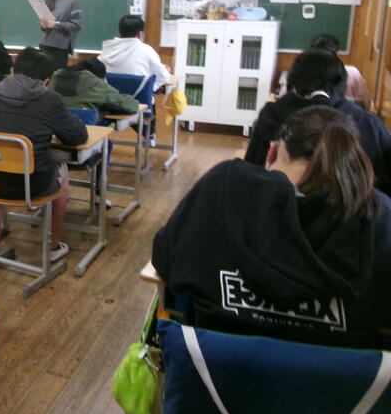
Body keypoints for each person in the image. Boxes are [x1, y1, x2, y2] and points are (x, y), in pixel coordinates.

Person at [153, 106, 391, 350]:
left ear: (272, 151)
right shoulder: (380, 218)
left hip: (214, 368)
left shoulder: (221, 188)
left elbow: (165, 261)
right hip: (337, 373)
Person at [0, 47, 88, 261]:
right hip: (34, 185)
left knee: (0, 161)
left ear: (12, 71)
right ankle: (53, 247)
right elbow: (77, 137)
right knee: (62, 174)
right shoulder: (50, 99)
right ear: (46, 80)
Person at [245, 49, 391, 196]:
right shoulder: (368, 123)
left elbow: (250, 171)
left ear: (293, 81)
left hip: (278, 204)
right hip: (353, 206)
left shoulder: (271, 114)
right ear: (341, 84)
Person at [99, 15, 172, 146]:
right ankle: (149, 135)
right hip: (138, 103)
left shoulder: (108, 49)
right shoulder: (146, 50)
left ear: (120, 33)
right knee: (148, 91)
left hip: (109, 102)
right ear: (140, 34)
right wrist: (163, 73)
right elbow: (163, 76)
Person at [48, 57, 139, 116]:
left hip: (50, 130)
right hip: (83, 132)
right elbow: (130, 105)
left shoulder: (54, 77)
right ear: (99, 79)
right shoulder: (95, 84)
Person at [310, 33, 372, 106]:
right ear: (338, 54)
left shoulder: (306, 74)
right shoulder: (352, 73)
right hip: (347, 112)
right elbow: (366, 103)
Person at [39, 0, 83, 69]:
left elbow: (77, 26)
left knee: (56, 76)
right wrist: (44, 25)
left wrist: (57, 25)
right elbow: (46, 27)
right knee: (43, 75)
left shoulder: (73, 0)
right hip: (45, 45)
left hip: (59, 48)